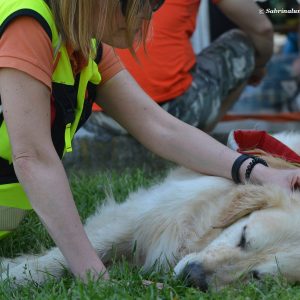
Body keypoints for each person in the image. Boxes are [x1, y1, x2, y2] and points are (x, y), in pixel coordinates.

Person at [0, 0, 300, 284]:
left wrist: (259, 172)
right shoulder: (28, 23)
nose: (150, 15)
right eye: (150, 2)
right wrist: (94, 276)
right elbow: (33, 158)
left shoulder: (84, 43)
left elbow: (159, 126)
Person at [87, 0, 271, 140]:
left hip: (97, 116)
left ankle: (194, 141)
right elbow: (262, 28)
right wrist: (258, 65)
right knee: (242, 43)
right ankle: (201, 139)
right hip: (176, 112)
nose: (148, 15)